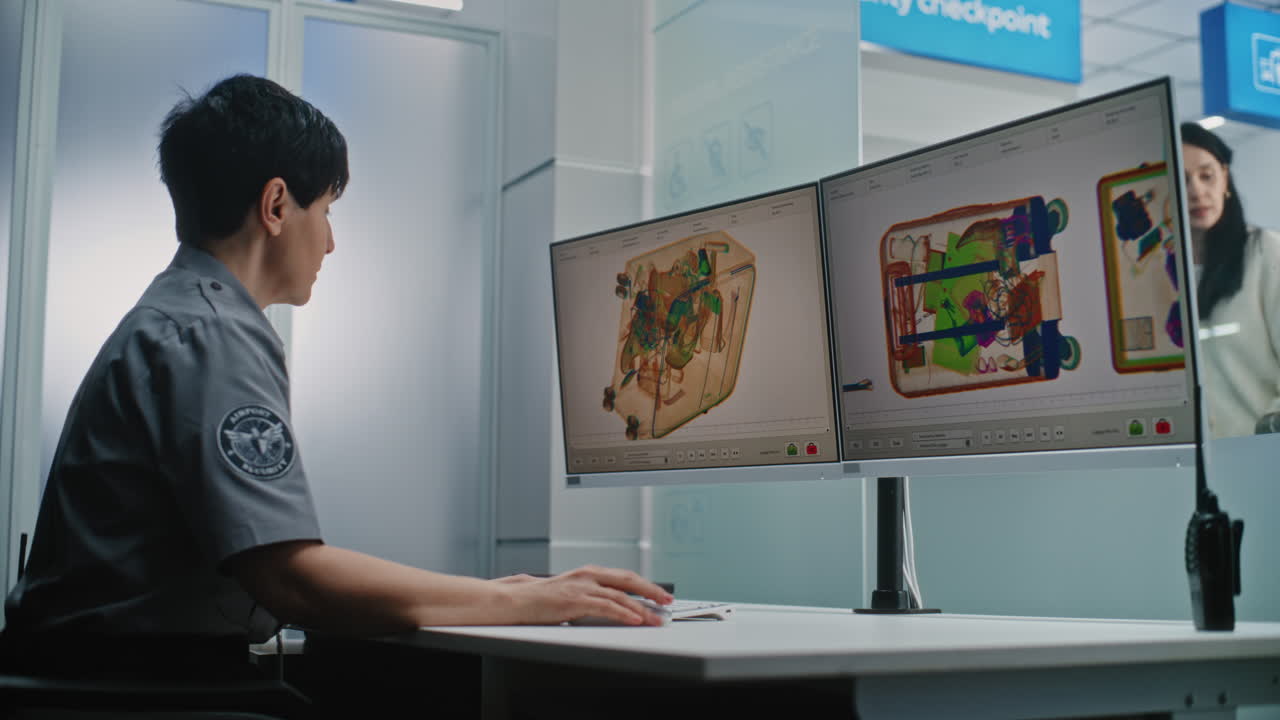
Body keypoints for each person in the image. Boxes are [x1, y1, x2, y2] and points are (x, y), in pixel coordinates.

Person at [2, 74, 671, 682]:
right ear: (275, 206)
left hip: (96, 672)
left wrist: (511, 595)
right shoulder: (213, 334)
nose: (329, 241)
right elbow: (292, 580)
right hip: (136, 687)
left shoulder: (181, 315)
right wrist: (523, 599)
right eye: (326, 209)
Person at [1181, 122, 1280, 438]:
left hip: (1262, 457)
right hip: (1191, 469)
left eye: (1206, 175)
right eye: (1182, 180)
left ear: (1225, 178)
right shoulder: (1159, 273)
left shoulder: (1265, 252)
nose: (1197, 191)